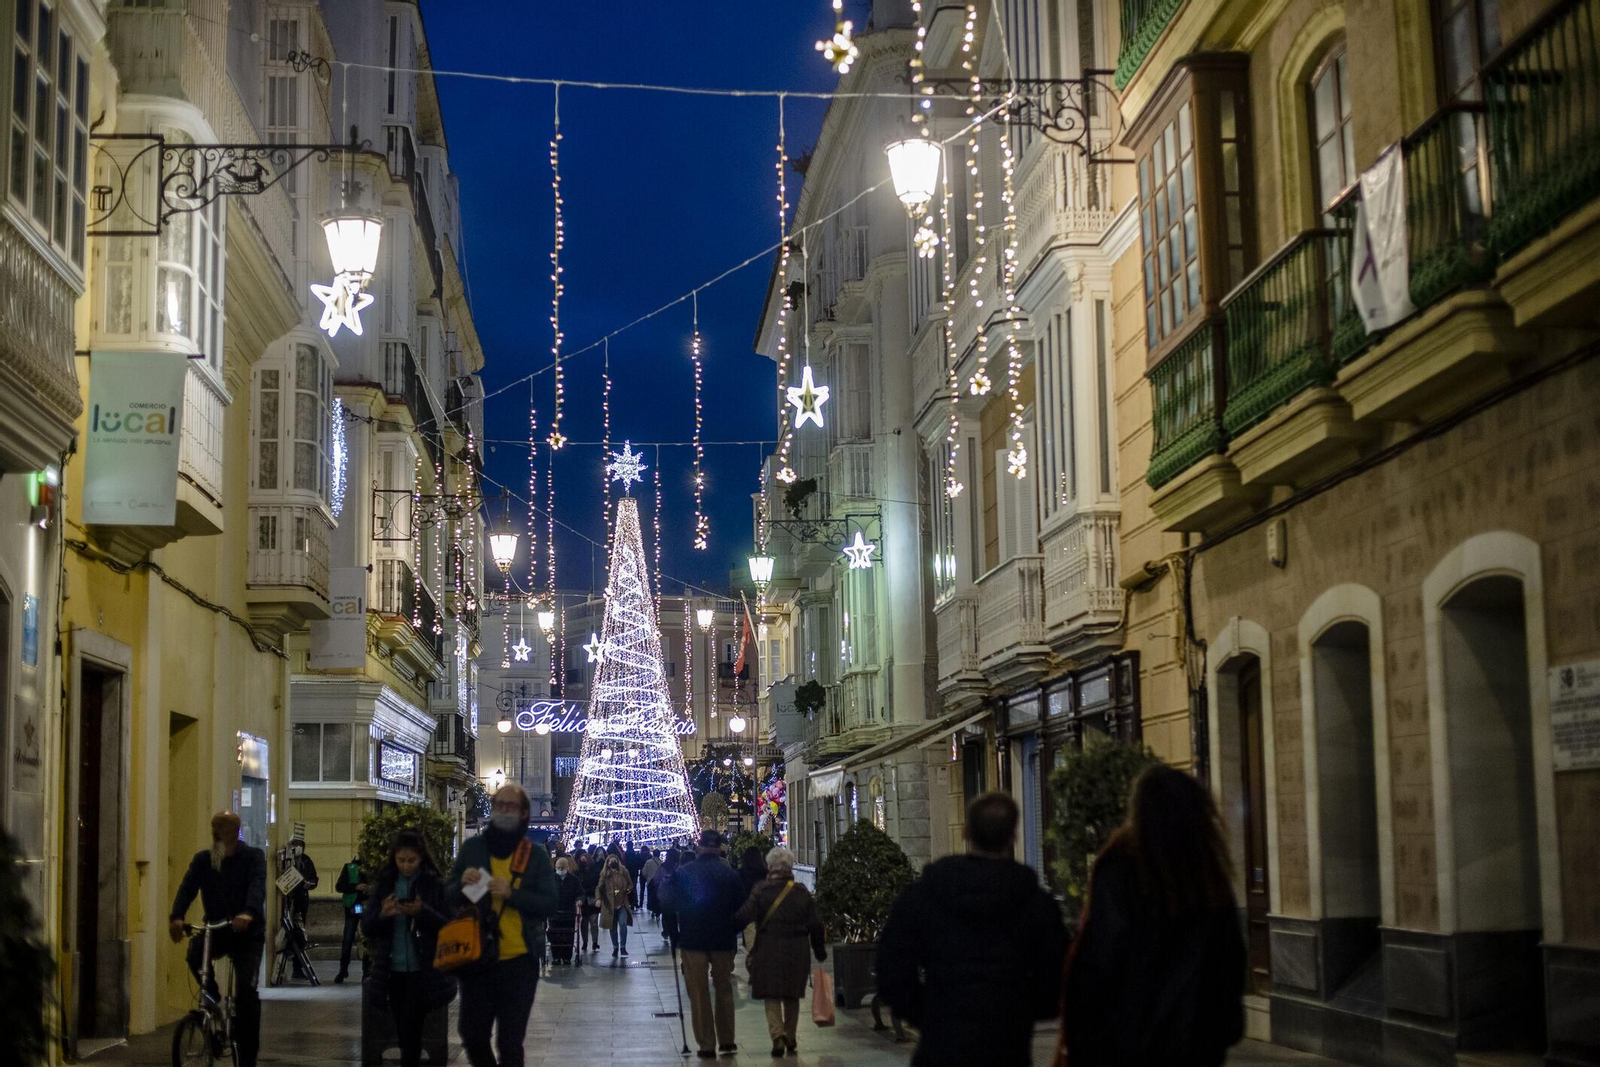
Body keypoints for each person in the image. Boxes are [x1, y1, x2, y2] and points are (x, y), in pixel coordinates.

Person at [1055, 766, 1245, 1067]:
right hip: (1194, 1049)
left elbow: (1095, 965)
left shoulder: (1118, 871)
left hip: (1123, 1048)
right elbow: (1229, 968)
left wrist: (1082, 1043)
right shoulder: (1209, 881)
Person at [878, 792, 1068, 1067]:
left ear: (966, 832)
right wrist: (1021, 1011)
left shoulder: (925, 895)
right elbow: (1056, 973)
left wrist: (927, 1014)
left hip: (940, 1045)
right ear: (1012, 837)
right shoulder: (1035, 903)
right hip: (1007, 1048)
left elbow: (891, 967)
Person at [445, 783, 557, 1067]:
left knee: (509, 1042)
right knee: (472, 1035)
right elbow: (445, 896)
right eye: (500, 805)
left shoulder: (535, 855)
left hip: (519, 961)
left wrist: (512, 894)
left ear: (523, 814)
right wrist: (462, 884)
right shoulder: (473, 849)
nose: (504, 811)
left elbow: (549, 903)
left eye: (511, 807)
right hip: (477, 959)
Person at [168, 812, 268, 1067]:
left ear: (234, 831)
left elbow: (257, 887)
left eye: (221, 827)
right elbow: (188, 887)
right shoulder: (205, 860)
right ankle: (212, 999)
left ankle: (247, 1057)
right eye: (213, 826)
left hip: (247, 934)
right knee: (194, 953)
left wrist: (248, 912)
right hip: (217, 928)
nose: (215, 831)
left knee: (246, 994)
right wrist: (177, 916)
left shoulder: (253, 857)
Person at [362, 830, 452, 1067]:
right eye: (401, 860)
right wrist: (383, 914)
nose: (406, 866)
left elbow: (447, 925)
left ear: (421, 858)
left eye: (411, 860)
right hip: (392, 970)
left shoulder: (433, 884)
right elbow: (368, 927)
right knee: (403, 1028)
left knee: (411, 1028)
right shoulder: (386, 883)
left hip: (422, 971)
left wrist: (422, 912)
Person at [732, 847, 826, 1058]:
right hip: (797, 948)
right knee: (792, 994)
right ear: (790, 867)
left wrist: (727, 926)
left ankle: (777, 1035)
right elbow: (815, 923)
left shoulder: (761, 890)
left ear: (771, 866)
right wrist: (819, 948)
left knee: (772, 994)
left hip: (768, 947)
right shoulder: (801, 892)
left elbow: (743, 916)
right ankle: (791, 1036)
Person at [659, 830, 745, 1059]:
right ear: (719, 848)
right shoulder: (730, 875)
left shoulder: (684, 872)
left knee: (699, 992)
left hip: (693, 939)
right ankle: (727, 1041)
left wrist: (674, 933)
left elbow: (667, 902)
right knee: (724, 989)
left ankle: (706, 1044)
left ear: (698, 848)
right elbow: (743, 908)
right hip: (722, 940)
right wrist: (733, 929)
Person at [282, 834, 319, 979]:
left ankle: (297, 967)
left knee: (299, 933)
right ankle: (290, 966)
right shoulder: (288, 860)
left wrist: (310, 884)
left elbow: (314, 878)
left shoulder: (306, 861)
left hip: (301, 900)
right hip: (289, 901)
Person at [333, 853, 369, 983]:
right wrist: (355, 887)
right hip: (352, 907)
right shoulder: (349, 867)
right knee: (347, 939)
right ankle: (343, 970)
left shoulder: (373, 868)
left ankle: (367, 972)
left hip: (366, 906)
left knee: (366, 941)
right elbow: (339, 886)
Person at [597, 853, 636, 959]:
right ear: (607, 863)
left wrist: (628, 890)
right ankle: (615, 947)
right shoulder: (605, 874)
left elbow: (630, 884)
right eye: (610, 861)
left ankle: (623, 946)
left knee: (623, 923)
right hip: (610, 904)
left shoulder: (624, 872)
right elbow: (599, 887)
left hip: (622, 903)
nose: (613, 863)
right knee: (612, 926)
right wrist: (598, 899)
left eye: (614, 861)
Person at [550, 857, 582, 966]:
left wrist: (579, 900)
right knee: (554, 936)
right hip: (554, 913)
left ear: (567, 868)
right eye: (558, 868)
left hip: (569, 913)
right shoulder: (551, 879)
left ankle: (567, 957)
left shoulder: (574, 880)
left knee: (568, 936)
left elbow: (580, 893)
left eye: (562, 868)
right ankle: (556, 957)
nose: (560, 870)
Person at [735, 846, 768, 948]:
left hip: (748, 915)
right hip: (764, 915)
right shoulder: (766, 874)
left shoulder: (741, 874)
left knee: (752, 947)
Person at [575, 851, 601, 953]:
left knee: (593, 922)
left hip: (592, 899)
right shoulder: (578, 873)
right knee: (584, 923)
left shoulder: (595, 872)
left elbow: (598, 885)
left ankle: (595, 941)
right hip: (583, 901)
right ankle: (585, 942)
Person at [655, 848, 681, 942]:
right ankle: (675, 932)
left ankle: (666, 930)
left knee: (666, 914)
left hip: (664, 895)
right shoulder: (679, 866)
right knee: (676, 914)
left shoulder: (662, 867)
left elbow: (656, 879)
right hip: (676, 894)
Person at [641, 849, 663, 921]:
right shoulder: (661, 863)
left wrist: (648, 877)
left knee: (651, 897)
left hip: (651, 882)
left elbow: (644, 872)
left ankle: (653, 910)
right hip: (659, 883)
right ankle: (658, 912)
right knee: (658, 898)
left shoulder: (648, 862)